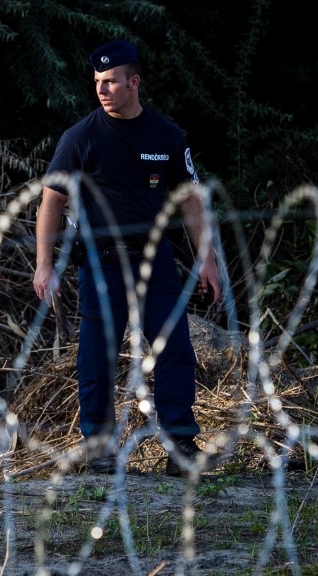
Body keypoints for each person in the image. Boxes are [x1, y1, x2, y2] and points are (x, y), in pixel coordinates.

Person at [33, 39, 220, 476]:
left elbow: (191, 202)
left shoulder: (167, 136)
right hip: (100, 267)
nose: (102, 89)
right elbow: (51, 202)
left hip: (156, 266)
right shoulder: (80, 137)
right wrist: (45, 264)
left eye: (112, 81)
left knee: (174, 350)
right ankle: (98, 449)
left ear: (134, 82)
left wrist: (206, 259)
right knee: (96, 358)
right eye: (98, 81)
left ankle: (180, 445)